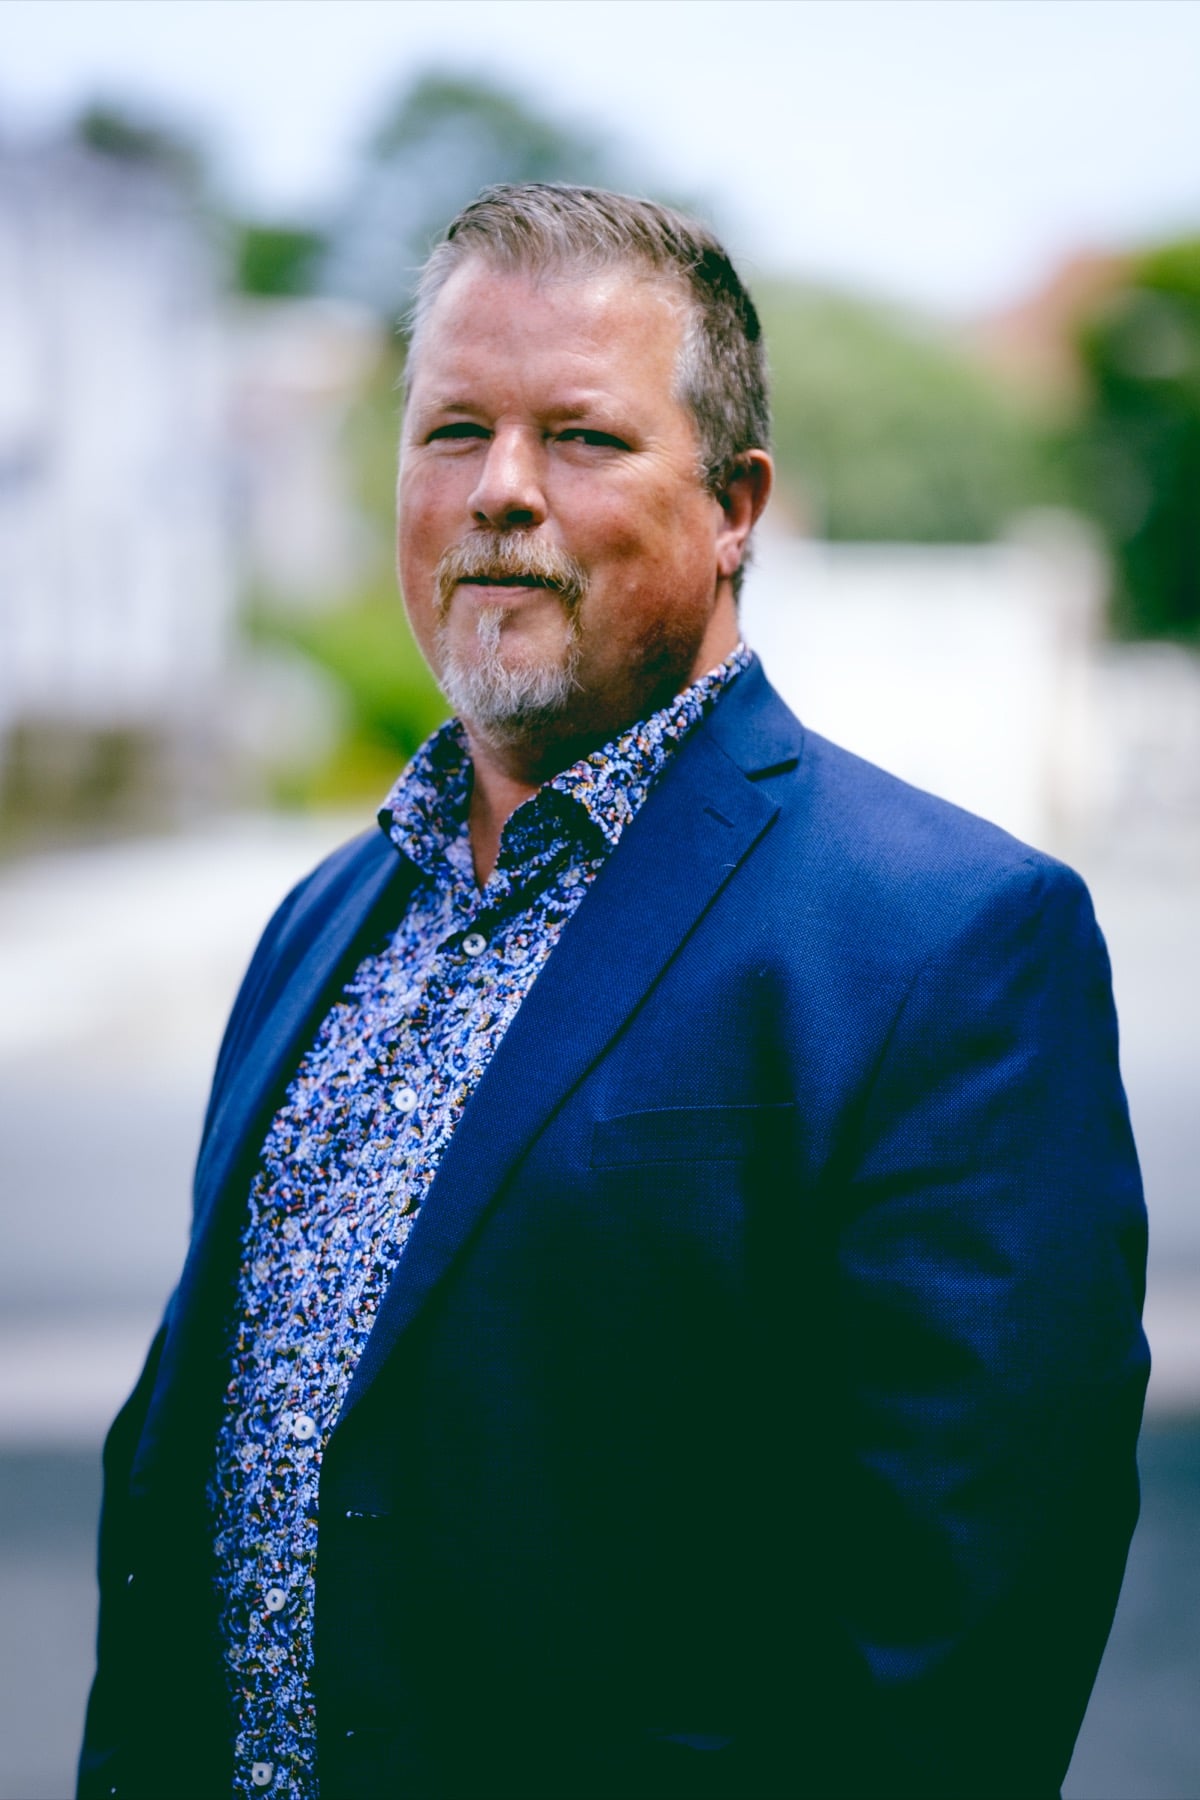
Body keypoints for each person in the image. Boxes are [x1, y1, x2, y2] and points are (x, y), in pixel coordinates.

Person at [79, 184, 1148, 1800]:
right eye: (451, 432)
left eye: (579, 436)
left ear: (738, 506)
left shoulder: (951, 942)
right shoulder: (318, 921)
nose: (500, 491)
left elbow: (964, 1635)